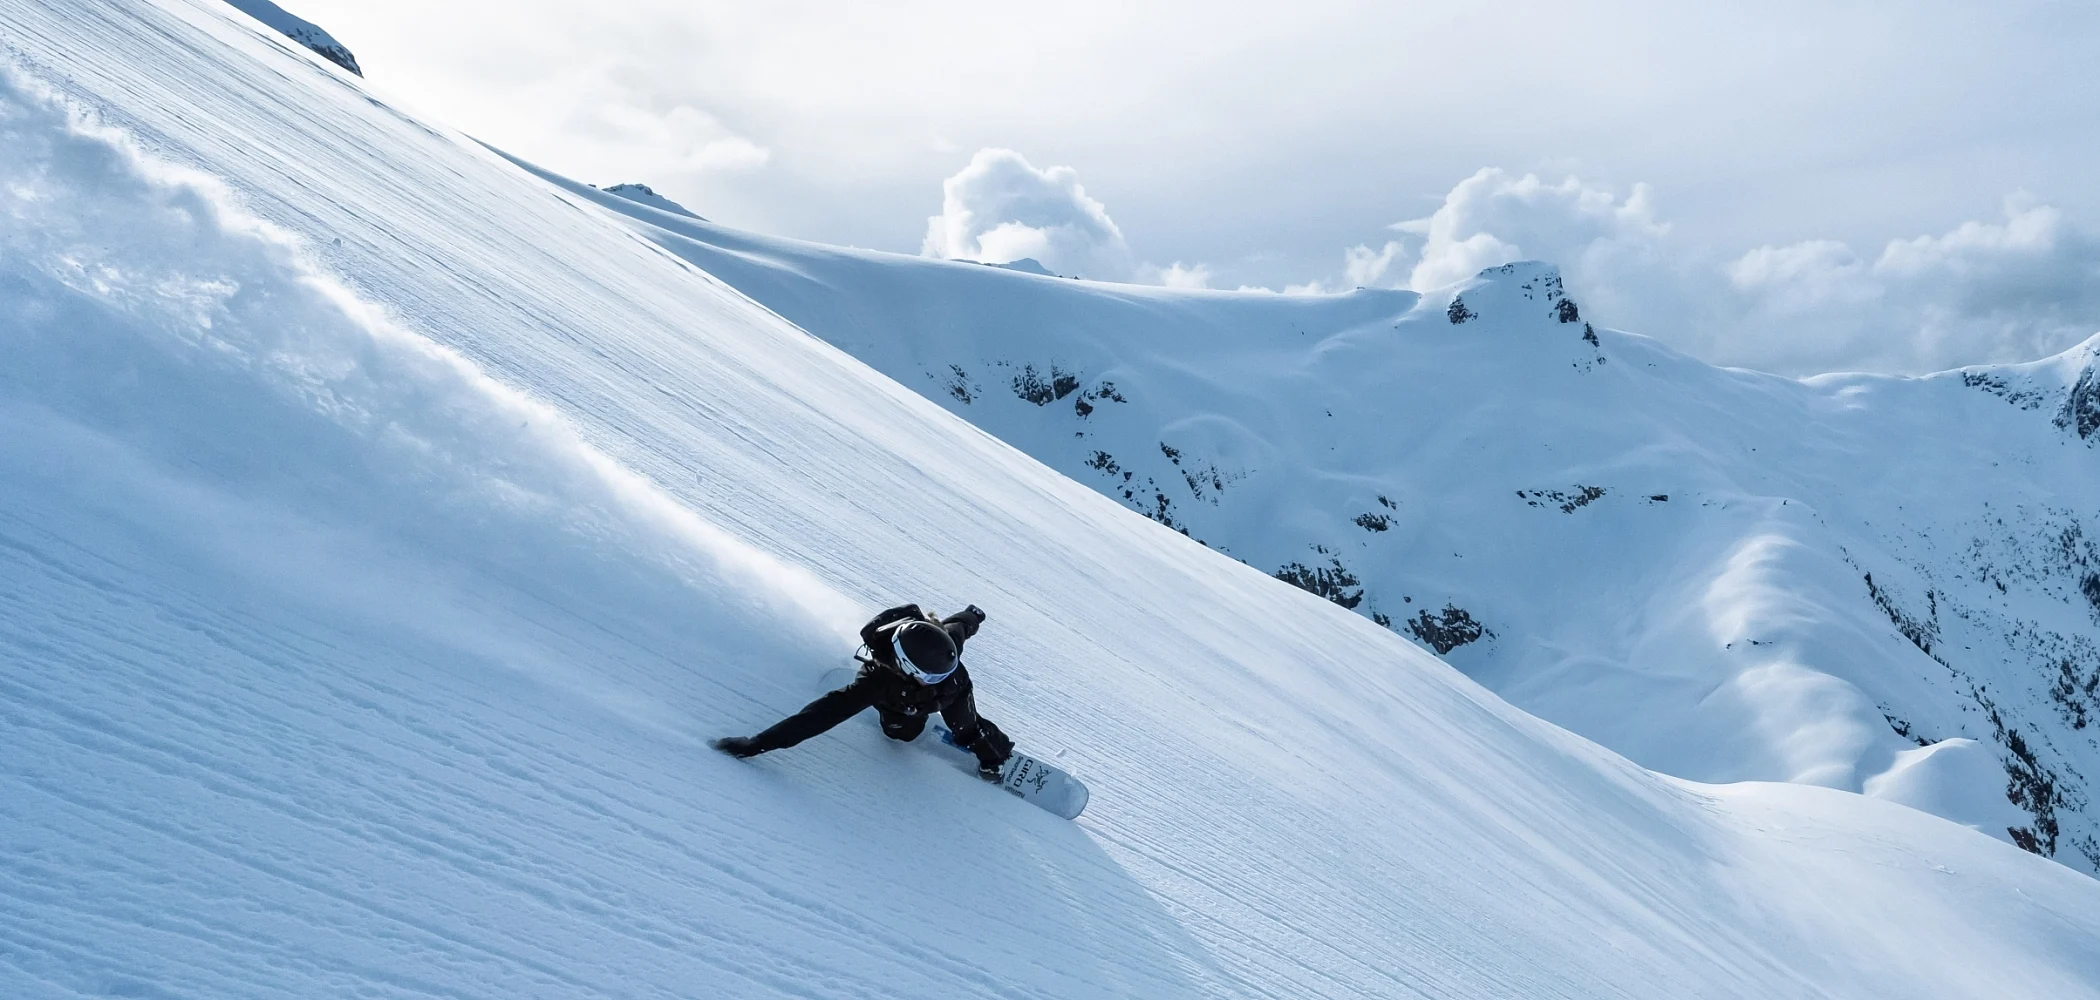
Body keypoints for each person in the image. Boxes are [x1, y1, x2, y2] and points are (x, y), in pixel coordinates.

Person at [711, 603, 1016, 780]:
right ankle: (907, 724)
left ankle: (994, 757)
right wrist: (757, 744)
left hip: (955, 694)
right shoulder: (876, 684)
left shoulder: (941, 647)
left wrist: (973, 615)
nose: (938, 678)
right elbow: (818, 717)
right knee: (900, 734)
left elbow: (958, 626)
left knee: (969, 727)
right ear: (905, 668)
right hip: (904, 704)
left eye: (943, 671)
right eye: (930, 675)